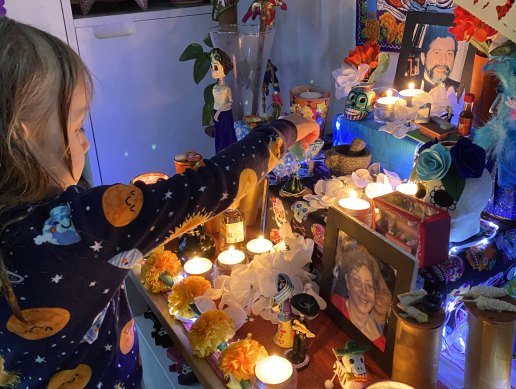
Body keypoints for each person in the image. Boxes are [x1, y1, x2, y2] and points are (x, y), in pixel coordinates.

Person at [0, 17, 319, 389]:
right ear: (22, 137)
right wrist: (284, 128)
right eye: (76, 127)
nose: (84, 143)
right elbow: (211, 186)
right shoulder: (80, 226)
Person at [330, 239, 385, 351]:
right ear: (347, 281)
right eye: (357, 281)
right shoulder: (334, 304)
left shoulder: (380, 343)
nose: (364, 292)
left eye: (369, 286)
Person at [210, 48, 237, 153]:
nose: (212, 70)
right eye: (211, 66)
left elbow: (230, 102)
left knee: (227, 137)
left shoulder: (226, 89)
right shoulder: (214, 87)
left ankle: (228, 156)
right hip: (216, 113)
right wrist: (216, 112)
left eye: (215, 67)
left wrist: (220, 111)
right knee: (218, 138)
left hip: (224, 115)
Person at [419, 25, 459, 93]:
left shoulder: (458, 90)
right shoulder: (404, 86)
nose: (443, 61)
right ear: (423, 57)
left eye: (449, 54)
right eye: (437, 53)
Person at [372, 261, 395, 332]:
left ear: (392, 300)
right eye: (377, 288)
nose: (380, 295)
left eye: (386, 292)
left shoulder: (391, 332)